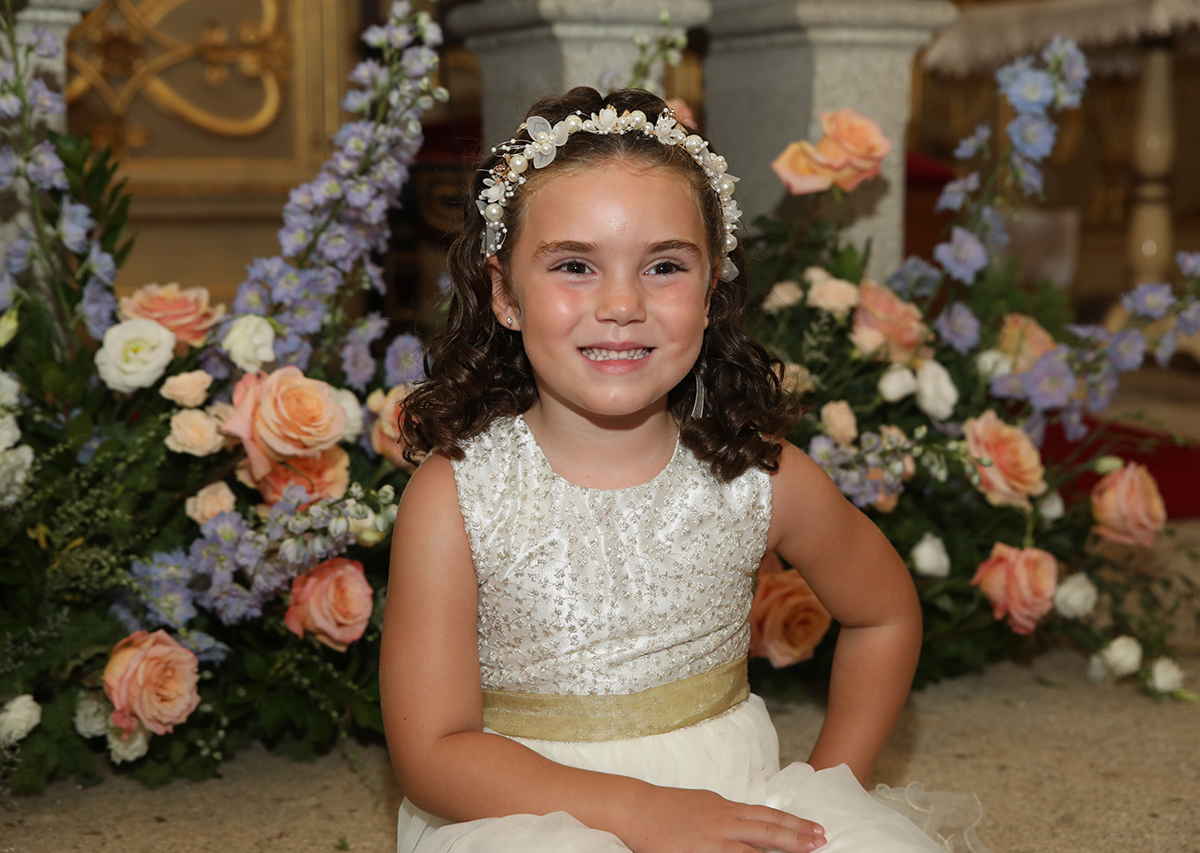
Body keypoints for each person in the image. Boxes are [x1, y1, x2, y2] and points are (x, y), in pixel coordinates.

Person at [381, 86, 982, 853]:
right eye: (574, 265)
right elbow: (432, 752)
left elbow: (885, 612)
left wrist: (831, 788)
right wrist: (643, 816)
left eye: (664, 265)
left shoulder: (759, 476)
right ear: (504, 293)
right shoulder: (457, 493)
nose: (622, 303)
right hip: (525, 814)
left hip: (727, 795)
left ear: (711, 289)